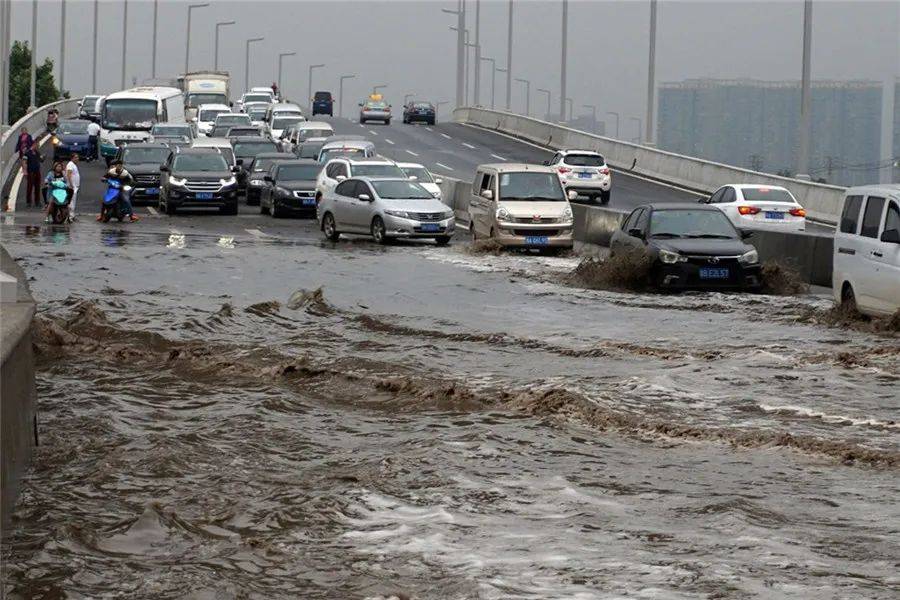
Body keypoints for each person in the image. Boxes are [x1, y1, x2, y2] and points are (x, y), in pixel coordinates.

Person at [20, 141, 44, 208]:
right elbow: (24, 162)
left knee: (37, 187)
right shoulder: (27, 153)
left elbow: (41, 160)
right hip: (30, 172)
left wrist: (42, 157)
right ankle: (28, 202)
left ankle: (37, 201)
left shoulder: (37, 153)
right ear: (34, 145)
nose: (38, 147)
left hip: (37, 171)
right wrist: (25, 171)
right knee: (29, 187)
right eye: (37, 145)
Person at [65, 153, 81, 220]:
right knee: (71, 201)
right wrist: (71, 185)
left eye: (77, 157)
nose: (77, 159)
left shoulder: (73, 165)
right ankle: (70, 216)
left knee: (73, 201)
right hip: (72, 186)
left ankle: (72, 215)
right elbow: (69, 174)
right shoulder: (70, 165)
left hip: (75, 186)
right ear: (72, 158)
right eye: (76, 157)